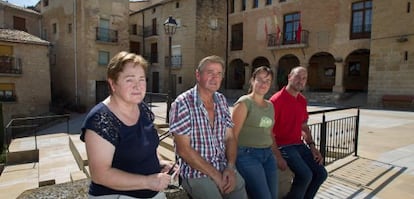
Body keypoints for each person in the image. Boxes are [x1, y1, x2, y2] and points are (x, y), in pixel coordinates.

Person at [80, 51, 177, 199]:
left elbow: (148, 146)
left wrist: (160, 163)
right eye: (130, 80)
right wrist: (148, 182)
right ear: (113, 84)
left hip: (152, 192)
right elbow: (100, 175)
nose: (138, 86)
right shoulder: (101, 119)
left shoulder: (142, 108)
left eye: (142, 79)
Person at [169, 55, 248, 199]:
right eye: (210, 72)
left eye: (219, 74)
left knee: (240, 188)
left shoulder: (222, 100)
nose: (215, 77)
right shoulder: (183, 103)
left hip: (223, 167)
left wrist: (230, 167)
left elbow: (230, 137)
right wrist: (216, 175)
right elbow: (183, 150)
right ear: (198, 75)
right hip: (196, 172)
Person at [270, 66, 328, 199]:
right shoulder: (276, 100)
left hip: (299, 145)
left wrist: (313, 147)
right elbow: (269, 132)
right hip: (283, 146)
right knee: (305, 175)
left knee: (321, 174)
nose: (300, 81)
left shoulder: (302, 100)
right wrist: (278, 156)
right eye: (297, 77)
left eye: (304, 78)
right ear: (289, 77)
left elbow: (304, 126)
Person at [231, 66, 278, 199]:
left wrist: (277, 155)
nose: (264, 84)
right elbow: (232, 135)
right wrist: (230, 164)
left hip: (268, 155)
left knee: (273, 196)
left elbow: (269, 133)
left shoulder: (270, 105)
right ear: (252, 81)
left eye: (267, 81)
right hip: (247, 156)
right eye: (260, 79)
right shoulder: (244, 103)